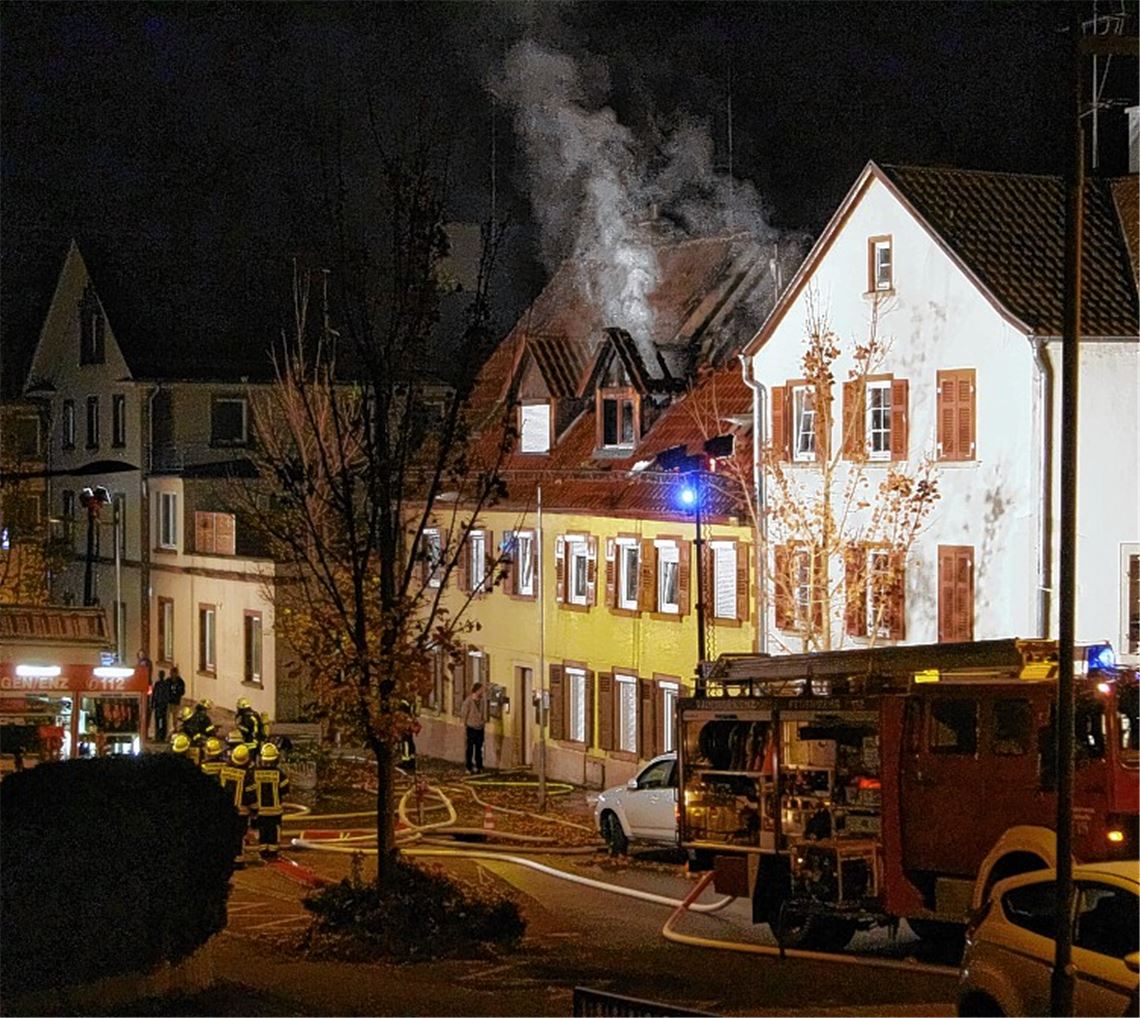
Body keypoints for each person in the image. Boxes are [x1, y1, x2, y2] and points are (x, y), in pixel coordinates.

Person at [249, 742, 290, 860]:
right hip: (275, 810)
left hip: (260, 810)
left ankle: (263, 851)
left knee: (262, 831)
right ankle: (272, 853)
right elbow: (285, 790)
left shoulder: (254, 773)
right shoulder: (280, 774)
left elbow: (250, 789)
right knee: (273, 831)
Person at [220, 743, 256, 868]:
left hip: (224, 810)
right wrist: (255, 810)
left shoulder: (224, 771)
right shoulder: (247, 776)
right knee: (239, 836)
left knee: (226, 834)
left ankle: (225, 859)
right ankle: (238, 861)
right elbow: (251, 795)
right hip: (241, 812)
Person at [460, 682, 488, 774]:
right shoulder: (468, 701)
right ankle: (469, 766)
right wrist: (464, 725)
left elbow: (484, 712)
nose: (482, 692)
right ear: (477, 690)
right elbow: (464, 714)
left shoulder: (483, 701)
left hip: (480, 727)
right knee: (470, 748)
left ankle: (479, 766)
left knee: (479, 748)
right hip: (471, 727)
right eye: (481, 690)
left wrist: (484, 721)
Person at [398, 699, 421, 774]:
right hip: (408, 734)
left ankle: (406, 763)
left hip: (406, 734)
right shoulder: (410, 715)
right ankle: (411, 762)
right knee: (410, 746)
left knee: (406, 746)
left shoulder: (405, 716)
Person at [151, 670, 171, 741]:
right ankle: (158, 734)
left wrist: (165, 703)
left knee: (162, 720)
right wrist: (153, 703)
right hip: (158, 705)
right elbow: (154, 694)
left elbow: (167, 695)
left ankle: (162, 735)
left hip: (162, 705)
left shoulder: (164, 684)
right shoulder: (158, 684)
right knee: (158, 720)